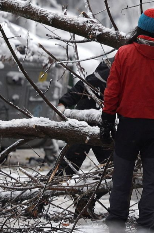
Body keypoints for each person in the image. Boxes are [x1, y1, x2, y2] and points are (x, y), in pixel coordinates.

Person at [100, 9, 154, 233]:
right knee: (152, 184)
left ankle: (116, 231)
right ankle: (144, 232)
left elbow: (112, 89)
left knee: (122, 181)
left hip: (128, 127)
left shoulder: (124, 54)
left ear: (140, 27)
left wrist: (107, 119)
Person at [29, 60, 113, 219]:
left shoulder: (123, 71)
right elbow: (81, 87)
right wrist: (63, 104)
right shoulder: (106, 74)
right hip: (84, 129)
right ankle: (37, 200)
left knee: (114, 169)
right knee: (67, 167)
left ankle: (86, 199)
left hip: (104, 129)